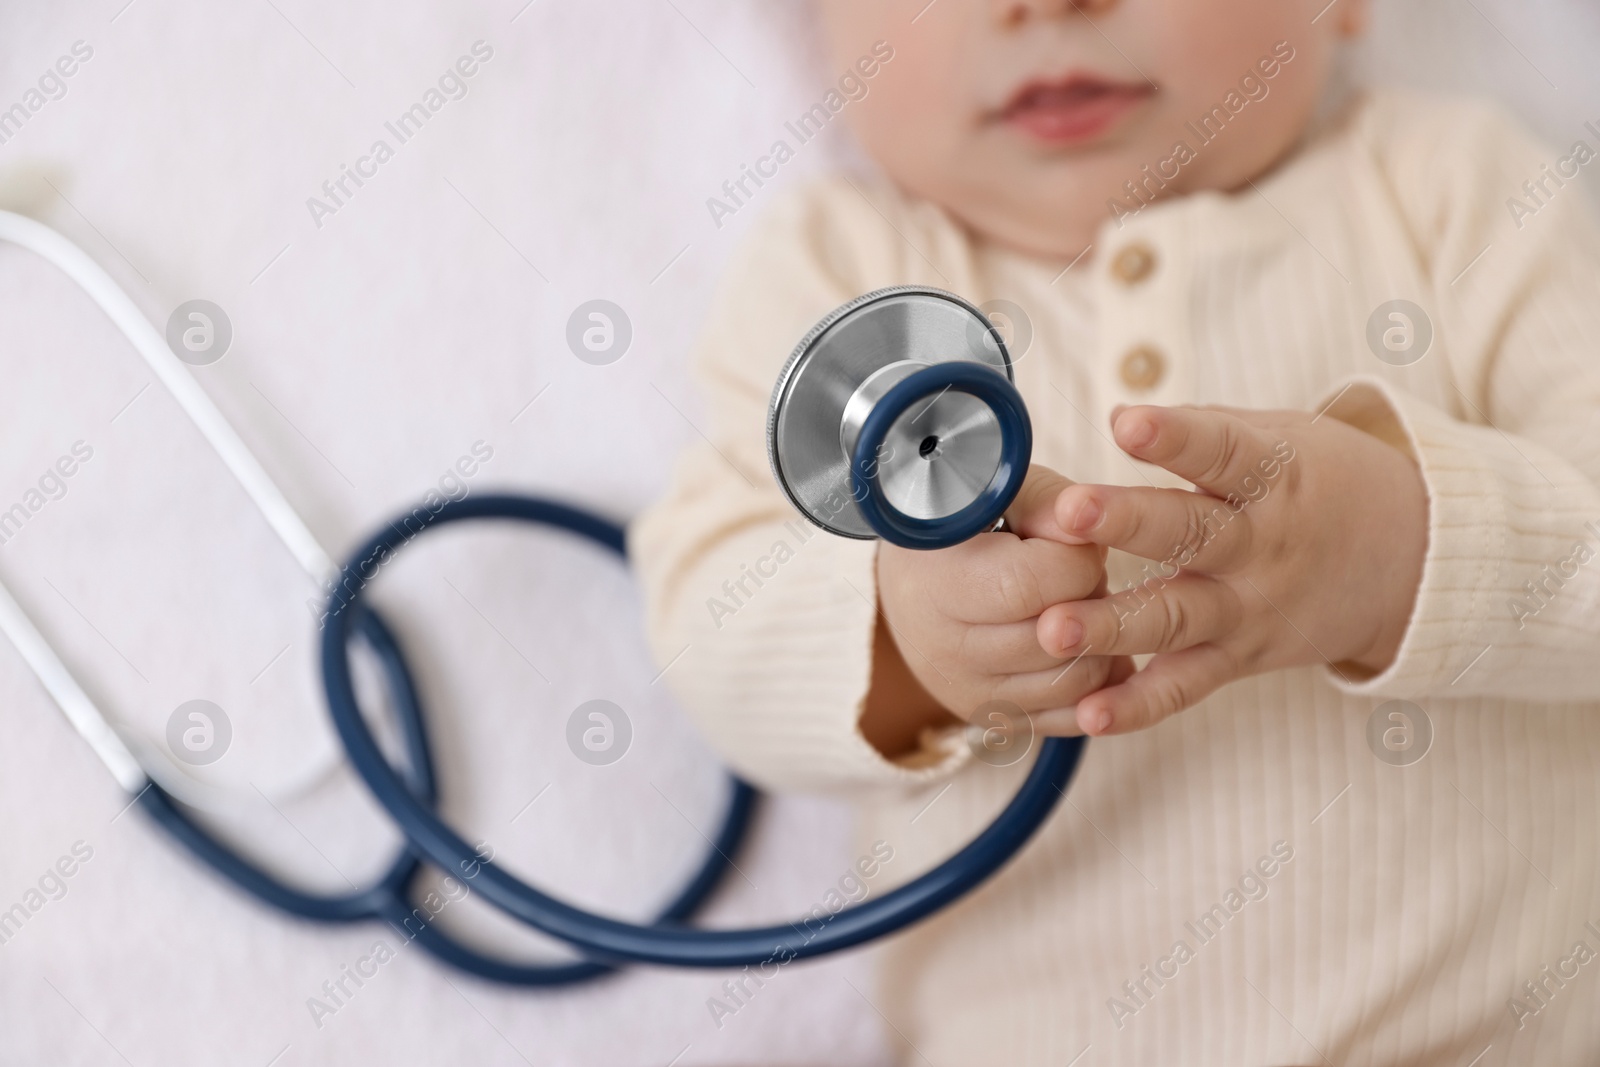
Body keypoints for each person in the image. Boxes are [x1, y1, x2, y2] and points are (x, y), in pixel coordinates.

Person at [631, 0, 1600, 1062]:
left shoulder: (1454, 191)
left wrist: (1403, 549)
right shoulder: (834, 267)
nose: (1045, 7)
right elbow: (705, 616)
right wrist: (902, 640)